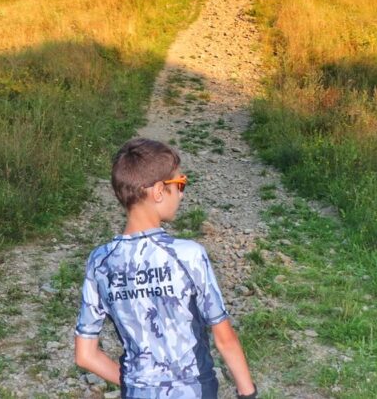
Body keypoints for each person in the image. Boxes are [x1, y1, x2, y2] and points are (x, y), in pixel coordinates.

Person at [74, 138, 257, 399]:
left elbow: (85, 355)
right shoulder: (188, 254)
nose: (181, 193)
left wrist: (136, 386)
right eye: (179, 184)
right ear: (159, 191)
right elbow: (224, 338)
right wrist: (247, 392)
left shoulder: (100, 261)